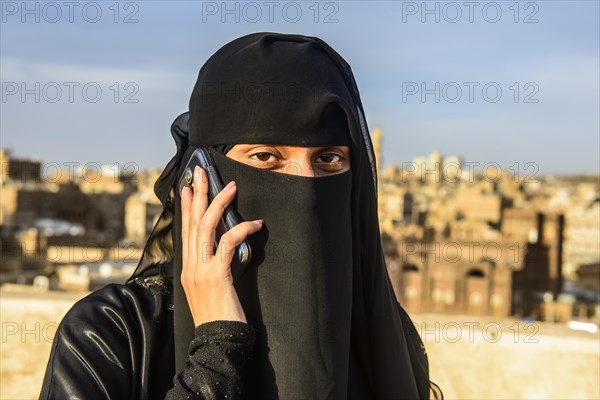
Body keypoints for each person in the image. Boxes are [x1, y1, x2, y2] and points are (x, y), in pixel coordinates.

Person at [40, 32, 440, 399]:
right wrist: (217, 351)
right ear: (202, 176)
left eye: (329, 159)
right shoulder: (111, 336)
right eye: (265, 157)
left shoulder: (381, 340)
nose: (306, 186)